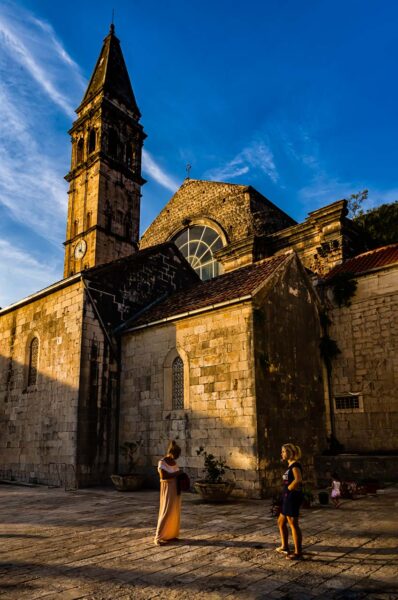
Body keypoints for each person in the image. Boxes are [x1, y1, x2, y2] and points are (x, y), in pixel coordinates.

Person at [276, 443, 303, 560]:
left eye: (283, 451)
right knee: (281, 522)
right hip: (286, 497)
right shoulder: (290, 465)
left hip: (291, 497)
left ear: (290, 452)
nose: (282, 453)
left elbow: (298, 479)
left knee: (293, 524)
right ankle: (285, 546)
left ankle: (298, 553)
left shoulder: (295, 465)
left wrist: (290, 488)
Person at [154, 440, 182, 546]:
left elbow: (175, 474)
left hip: (175, 489)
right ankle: (158, 536)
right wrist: (178, 473)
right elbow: (163, 476)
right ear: (172, 452)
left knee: (174, 512)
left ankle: (171, 535)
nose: (177, 457)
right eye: (177, 454)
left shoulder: (174, 463)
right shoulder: (162, 462)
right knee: (166, 511)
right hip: (167, 490)